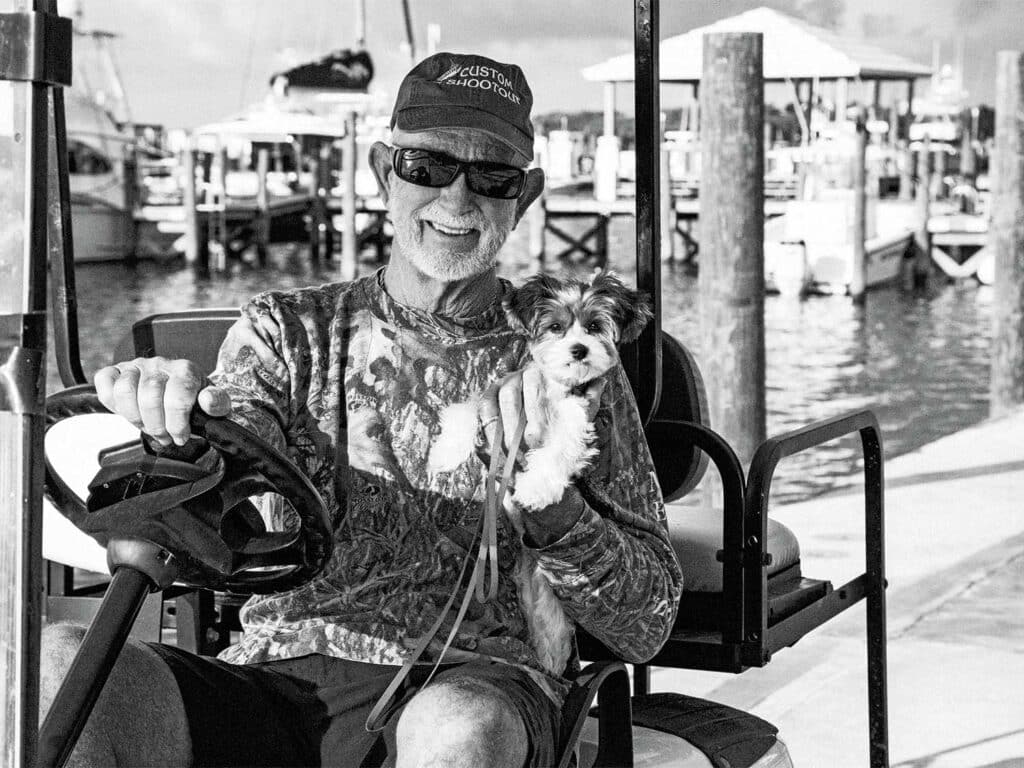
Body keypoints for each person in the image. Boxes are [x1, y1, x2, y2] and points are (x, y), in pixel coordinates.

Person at [41, 53, 682, 768]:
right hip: (273, 674)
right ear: (385, 172)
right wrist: (165, 415)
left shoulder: (569, 360)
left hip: (474, 681)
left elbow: (647, 621)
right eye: (428, 166)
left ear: (523, 197)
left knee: (458, 729)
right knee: (57, 664)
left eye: (492, 176)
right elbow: (229, 458)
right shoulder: (285, 332)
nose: (459, 198)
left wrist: (550, 504)